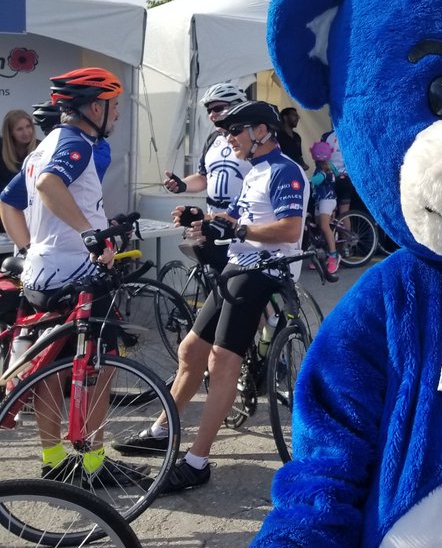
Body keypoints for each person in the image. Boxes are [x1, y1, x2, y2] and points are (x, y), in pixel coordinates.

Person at [118, 100, 309, 493]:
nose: (228, 139)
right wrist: (202, 220)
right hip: (238, 267)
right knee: (190, 352)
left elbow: (290, 230)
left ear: (260, 131)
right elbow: (239, 221)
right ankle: (161, 431)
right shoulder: (254, 171)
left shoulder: (285, 171)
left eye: (234, 132)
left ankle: (196, 461)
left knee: (222, 362)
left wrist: (239, 232)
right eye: (225, 133)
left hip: (264, 271)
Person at [0, 67, 150, 488]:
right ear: (95, 107)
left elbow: (9, 203)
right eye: (115, 106)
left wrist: (31, 247)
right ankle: (94, 462)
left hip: (41, 274)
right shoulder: (77, 143)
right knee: (101, 366)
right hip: (76, 273)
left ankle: (53, 459)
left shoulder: (41, 147)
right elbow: (50, 184)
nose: (117, 114)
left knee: (52, 369)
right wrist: (89, 233)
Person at [162, 82, 252, 266]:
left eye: (218, 108)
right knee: (214, 277)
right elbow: (203, 177)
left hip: (241, 221)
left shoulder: (252, 139)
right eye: (209, 110)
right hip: (213, 220)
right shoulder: (212, 139)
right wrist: (183, 185)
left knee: (240, 283)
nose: (212, 115)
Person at [308, 139, 339, 277]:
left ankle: (333, 256)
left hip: (327, 200)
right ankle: (324, 255)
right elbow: (337, 174)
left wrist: (306, 181)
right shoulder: (330, 166)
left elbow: (316, 180)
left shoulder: (323, 171)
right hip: (321, 200)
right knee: (319, 228)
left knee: (324, 227)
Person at [318, 126, 354, 218]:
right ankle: (346, 232)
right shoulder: (349, 134)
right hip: (346, 177)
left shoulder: (326, 136)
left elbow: (322, 158)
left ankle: (330, 232)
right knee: (345, 213)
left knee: (329, 212)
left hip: (331, 177)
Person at [1, 108, 39, 192]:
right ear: (10, 132)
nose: (26, 133)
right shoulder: (1, 146)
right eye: (19, 129)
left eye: (28, 127)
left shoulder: (41, 147)